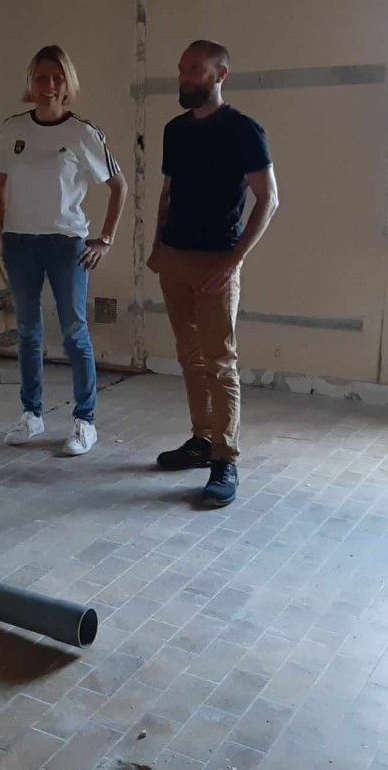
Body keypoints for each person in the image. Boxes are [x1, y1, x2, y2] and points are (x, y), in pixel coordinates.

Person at [147, 39, 279, 507]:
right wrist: (158, 247)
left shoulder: (243, 130)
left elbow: (269, 199)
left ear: (220, 75)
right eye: (182, 69)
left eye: (195, 70)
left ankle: (225, 459)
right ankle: (201, 441)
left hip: (217, 262)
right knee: (190, 357)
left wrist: (233, 260)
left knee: (220, 362)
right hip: (175, 258)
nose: (185, 78)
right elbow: (168, 193)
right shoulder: (175, 130)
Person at [0, 45, 128, 456]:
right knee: (28, 332)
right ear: (30, 82)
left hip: (66, 244)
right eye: (41, 77)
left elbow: (118, 186)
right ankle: (31, 414)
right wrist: (3, 231)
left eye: (56, 77)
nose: (48, 85)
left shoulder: (83, 133)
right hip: (20, 243)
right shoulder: (13, 128)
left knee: (74, 333)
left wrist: (105, 238)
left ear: (67, 84)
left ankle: (85, 421)